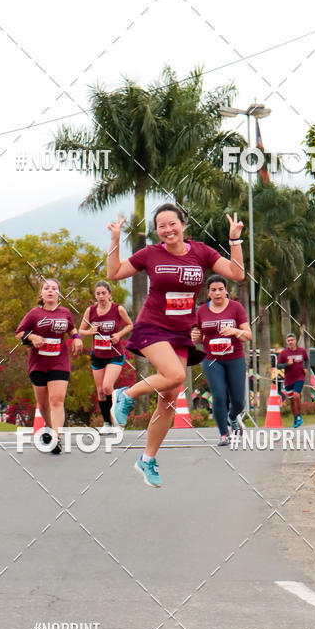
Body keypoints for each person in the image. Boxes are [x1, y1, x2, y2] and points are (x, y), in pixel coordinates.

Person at [106, 203, 244, 487]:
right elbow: (115, 273)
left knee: (168, 400)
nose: (168, 230)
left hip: (181, 332)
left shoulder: (202, 252)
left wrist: (235, 240)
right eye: (161, 226)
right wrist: (115, 240)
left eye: (172, 224)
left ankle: (147, 459)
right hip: (152, 326)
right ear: (157, 232)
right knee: (176, 376)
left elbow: (236, 273)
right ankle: (125, 394)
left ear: (183, 224)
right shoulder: (151, 254)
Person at [15, 279, 83, 454]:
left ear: (59, 293)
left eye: (54, 288)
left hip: (59, 362)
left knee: (57, 400)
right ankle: (49, 425)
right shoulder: (34, 314)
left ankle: (56, 437)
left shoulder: (65, 313)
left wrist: (76, 339)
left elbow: (72, 329)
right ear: (41, 294)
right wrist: (32, 338)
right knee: (44, 404)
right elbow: (19, 333)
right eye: (46, 288)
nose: (50, 291)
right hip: (38, 364)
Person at [191, 275, 251, 446]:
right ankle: (223, 434)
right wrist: (195, 337)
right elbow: (197, 336)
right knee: (218, 395)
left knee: (238, 401)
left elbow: (248, 335)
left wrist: (234, 331)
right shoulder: (201, 311)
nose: (217, 293)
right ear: (208, 293)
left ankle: (232, 417)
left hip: (234, 358)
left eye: (220, 289)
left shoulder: (236, 308)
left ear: (226, 291)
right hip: (211, 359)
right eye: (213, 290)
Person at [79, 280, 133, 428]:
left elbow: (130, 325)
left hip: (115, 354)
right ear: (95, 296)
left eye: (104, 293)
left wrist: (119, 335)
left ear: (110, 294)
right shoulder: (90, 311)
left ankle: (120, 403)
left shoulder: (118, 309)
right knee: (101, 392)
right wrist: (89, 332)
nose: (101, 296)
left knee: (108, 386)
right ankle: (108, 423)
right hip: (97, 355)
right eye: (98, 294)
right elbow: (80, 330)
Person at [277, 333, 308, 428]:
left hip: (300, 377)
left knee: (296, 395)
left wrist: (306, 367)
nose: (290, 342)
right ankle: (295, 418)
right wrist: (287, 364)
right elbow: (278, 366)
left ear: (295, 341)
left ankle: (299, 416)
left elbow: (306, 360)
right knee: (291, 401)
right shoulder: (283, 353)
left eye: (292, 340)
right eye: (288, 341)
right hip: (288, 380)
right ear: (287, 342)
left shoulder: (302, 351)